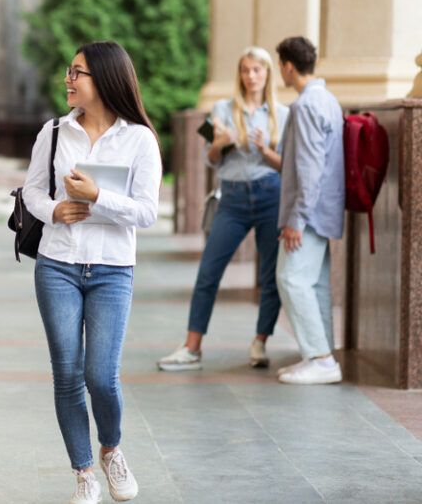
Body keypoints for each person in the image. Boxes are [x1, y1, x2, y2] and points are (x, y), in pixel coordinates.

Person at [22, 41, 161, 504]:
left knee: (102, 376)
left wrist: (98, 195)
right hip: (57, 264)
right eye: (69, 70)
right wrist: (54, 210)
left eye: (77, 72)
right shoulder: (55, 133)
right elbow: (30, 193)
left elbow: (146, 213)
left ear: (103, 79)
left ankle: (111, 449)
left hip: (112, 270)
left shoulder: (139, 139)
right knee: (67, 374)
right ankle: (83, 471)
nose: (69, 79)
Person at [157, 47, 288, 372]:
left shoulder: (282, 114)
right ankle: (192, 347)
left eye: (257, 70)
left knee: (268, 274)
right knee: (208, 272)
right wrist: (219, 142)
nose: (251, 76)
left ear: (267, 74)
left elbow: (287, 166)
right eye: (245, 70)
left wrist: (263, 149)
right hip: (232, 199)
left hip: (270, 194)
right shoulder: (221, 110)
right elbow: (209, 159)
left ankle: (260, 342)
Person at [272, 36, 345, 385]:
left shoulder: (304, 106)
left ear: (287, 66)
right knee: (314, 285)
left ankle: (321, 358)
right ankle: (319, 355)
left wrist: (295, 220)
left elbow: (310, 169)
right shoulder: (328, 100)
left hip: (309, 213)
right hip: (325, 209)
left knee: (291, 279)